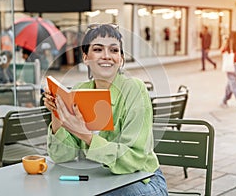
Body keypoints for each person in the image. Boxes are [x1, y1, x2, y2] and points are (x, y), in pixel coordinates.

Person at [44, 24, 168, 195]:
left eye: (114, 50)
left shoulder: (134, 89)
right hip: (98, 180)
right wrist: (57, 113)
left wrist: (85, 135)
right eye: (98, 49)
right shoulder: (80, 90)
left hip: (142, 181)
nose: (107, 56)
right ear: (86, 58)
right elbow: (61, 157)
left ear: (121, 59)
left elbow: (134, 161)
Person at [220, 30, 236, 110]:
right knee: (230, 84)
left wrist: (224, 42)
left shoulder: (228, 45)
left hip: (230, 67)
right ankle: (224, 100)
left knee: (233, 85)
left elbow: (221, 51)